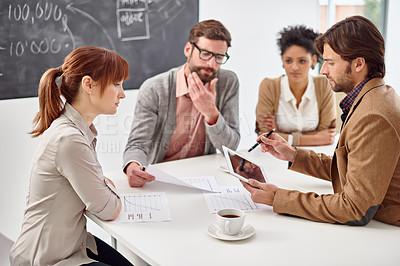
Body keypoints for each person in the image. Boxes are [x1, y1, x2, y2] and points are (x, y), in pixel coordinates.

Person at [241, 16, 400, 226]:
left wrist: (277, 198)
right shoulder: (377, 95)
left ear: (359, 64)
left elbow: (353, 209)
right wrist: (293, 154)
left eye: (331, 63)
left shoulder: (373, 115)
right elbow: (351, 169)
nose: (323, 70)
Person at [9, 46, 133, 265]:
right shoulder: (69, 139)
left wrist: (100, 189)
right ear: (88, 85)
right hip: (47, 258)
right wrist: (104, 190)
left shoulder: (79, 130)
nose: (122, 93)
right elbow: (108, 209)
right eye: (116, 84)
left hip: (73, 243)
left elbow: (97, 194)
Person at [123, 19, 240, 187]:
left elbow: (230, 148)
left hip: (205, 176)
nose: (211, 64)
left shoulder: (228, 82)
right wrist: (132, 166)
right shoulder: (154, 88)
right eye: (205, 53)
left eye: (219, 57)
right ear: (188, 49)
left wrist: (211, 113)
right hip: (162, 176)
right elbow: (138, 144)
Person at [255, 25, 336, 146]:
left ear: (313, 60)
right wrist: (315, 138)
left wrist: (280, 136)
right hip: (277, 156)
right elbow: (264, 135)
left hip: (315, 156)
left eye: (302, 61)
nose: (294, 67)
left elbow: (327, 135)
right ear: (282, 60)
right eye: (288, 61)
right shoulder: (269, 86)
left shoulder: (323, 85)